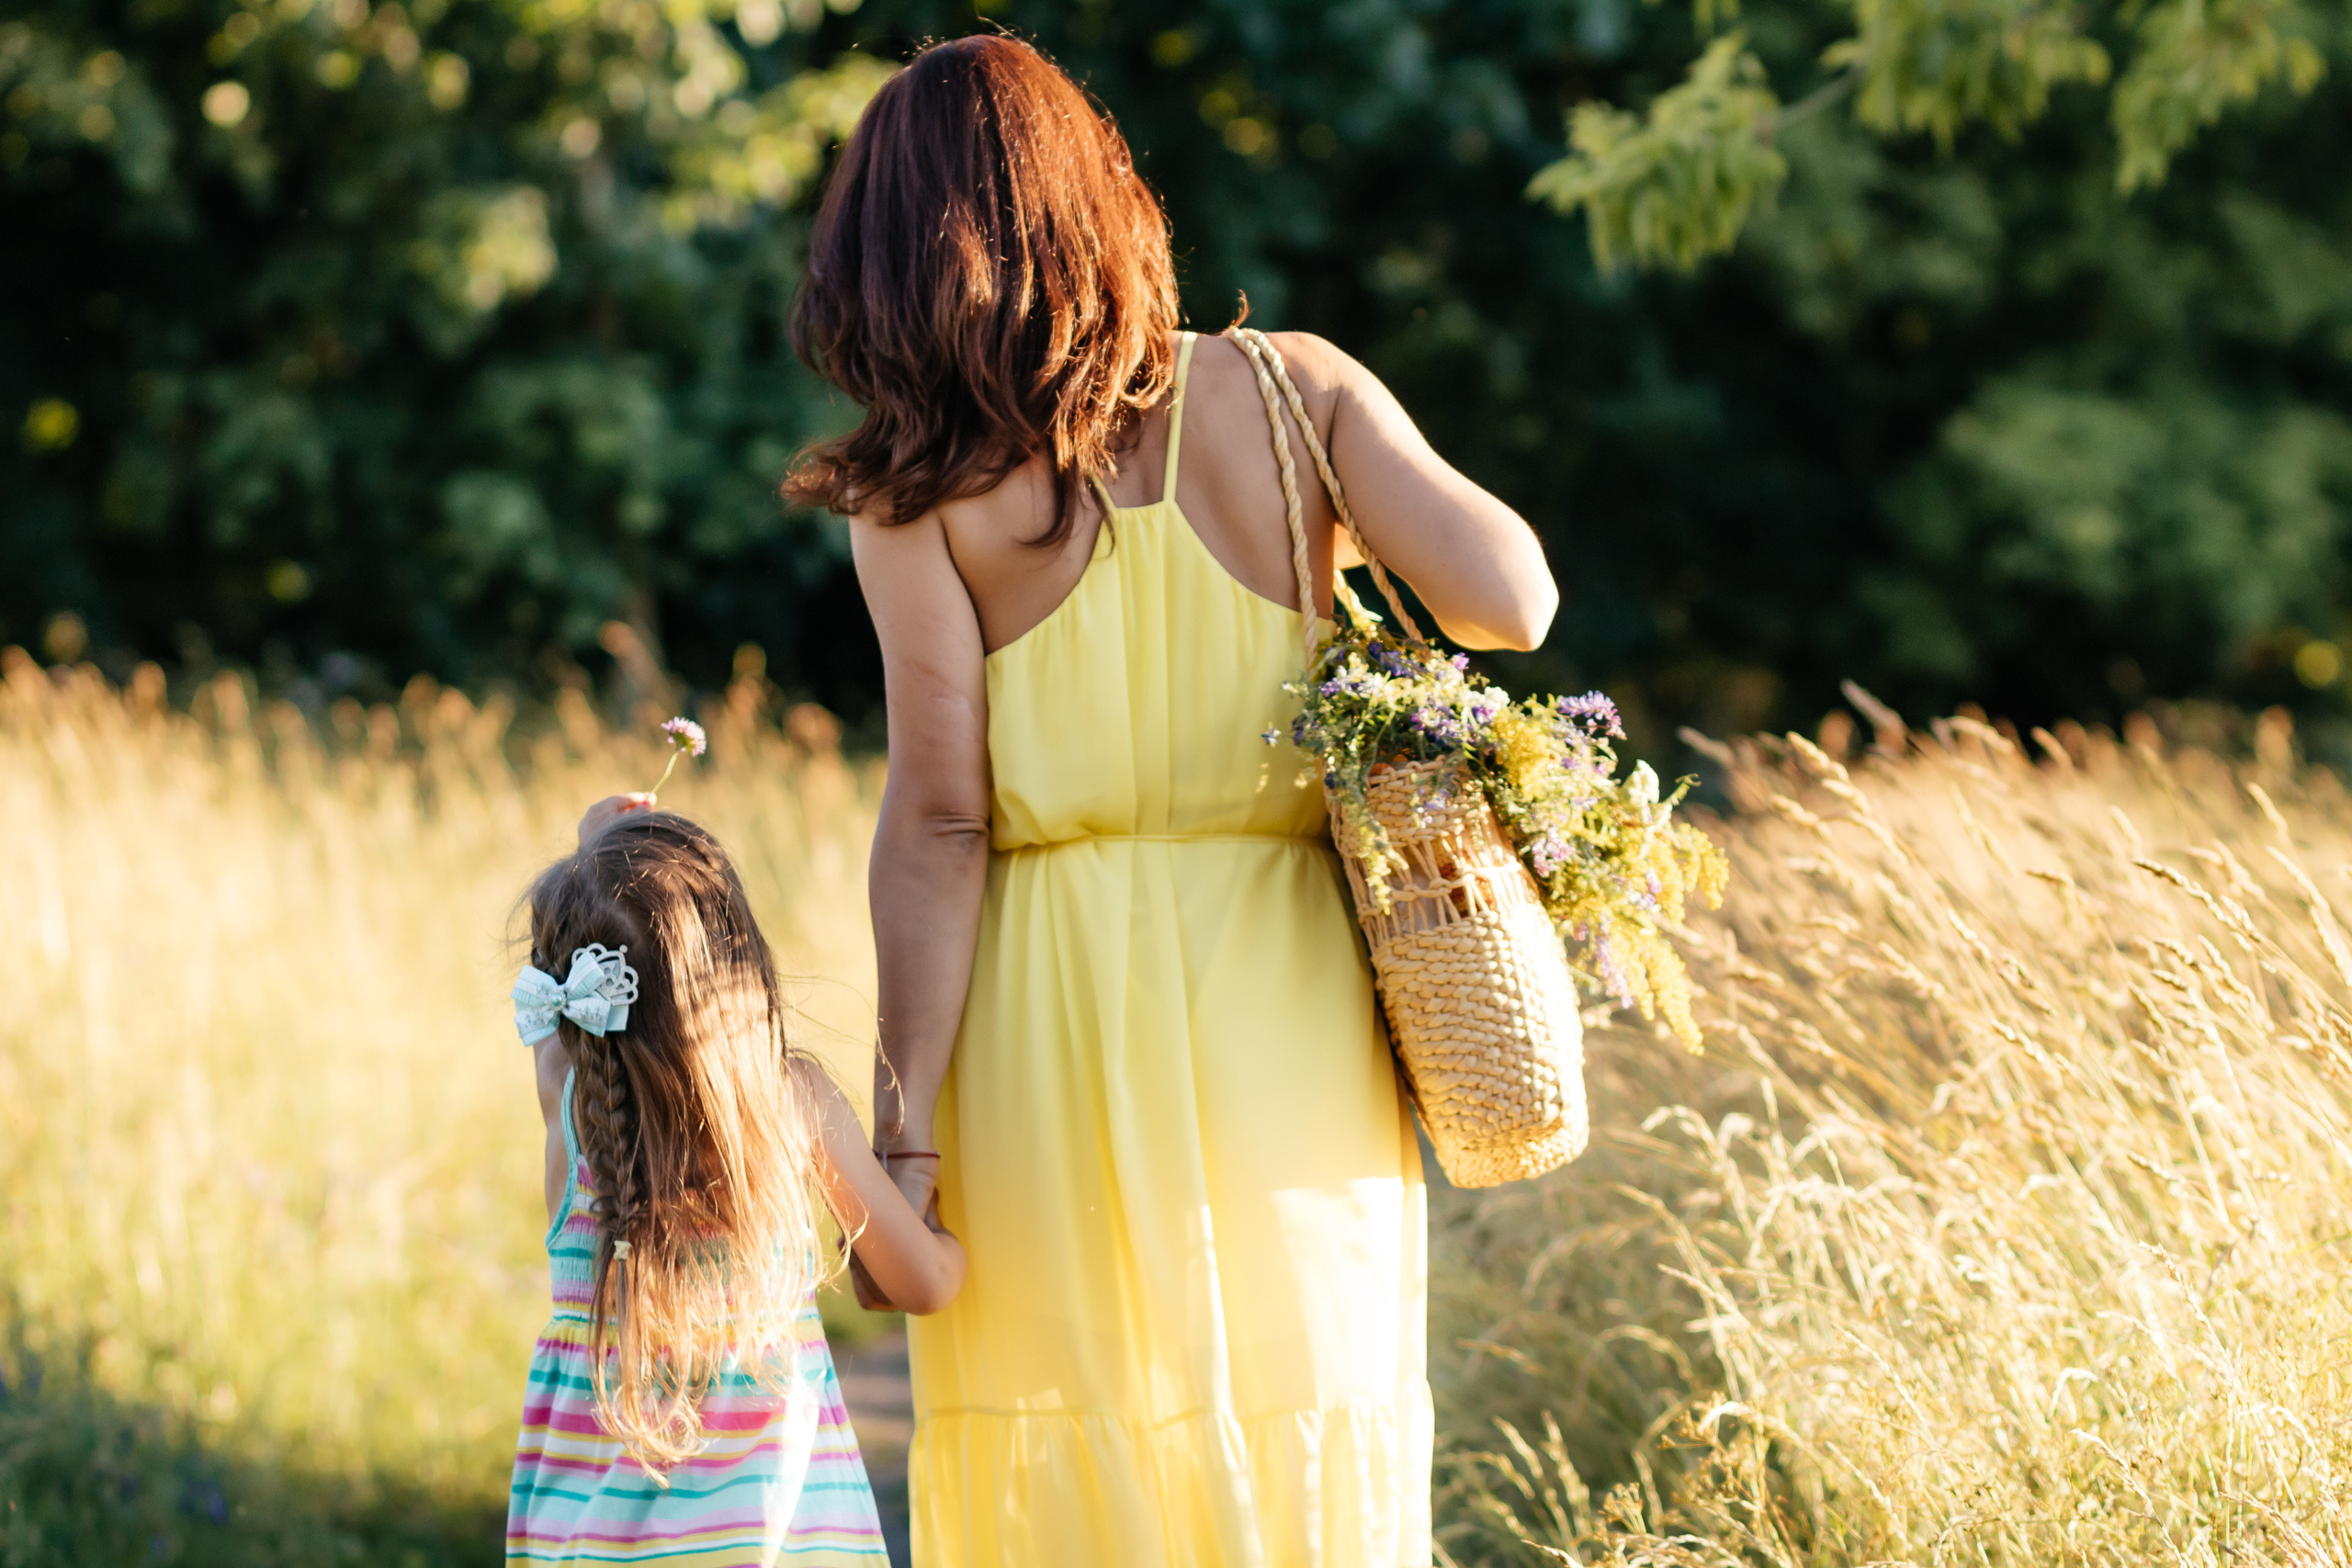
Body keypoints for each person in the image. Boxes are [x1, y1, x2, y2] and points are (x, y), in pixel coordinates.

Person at [786, 33, 1557, 1568]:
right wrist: (1337, 481)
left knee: (1075, 1430)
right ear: (1105, 202)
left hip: (1042, 1025)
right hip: (1291, 1006)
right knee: (1300, 1399)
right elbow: (1512, 600)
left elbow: (940, 819)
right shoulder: (1292, 391)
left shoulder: (920, 493)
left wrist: (906, 1141)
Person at [506, 801, 967, 1565]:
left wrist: (596, 859)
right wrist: (956, 1247)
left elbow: (562, 1025)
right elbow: (922, 1282)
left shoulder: (573, 1106)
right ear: (735, 971)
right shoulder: (788, 1103)